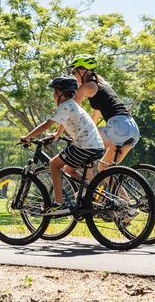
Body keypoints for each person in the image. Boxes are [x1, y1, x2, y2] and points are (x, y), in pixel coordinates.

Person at [19, 77, 105, 216]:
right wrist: (57, 134)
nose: (53, 95)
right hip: (95, 146)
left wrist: (28, 136)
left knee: (54, 164)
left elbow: (47, 123)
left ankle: (58, 204)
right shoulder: (72, 105)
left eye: (54, 92)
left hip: (84, 146)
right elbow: (62, 122)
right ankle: (91, 189)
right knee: (68, 169)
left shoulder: (65, 106)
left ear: (59, 92)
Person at [69, 54, 140, 171]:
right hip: (132, 129)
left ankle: (90, 187)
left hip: (119, 127)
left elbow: (70, 110)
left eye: (73, 72)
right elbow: (94, 119)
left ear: (81, 71)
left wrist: (65, 132)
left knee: (83, 146)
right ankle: (116, 190)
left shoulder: (86, 87)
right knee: (103, 168)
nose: (73, 76)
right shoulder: (101, 87)